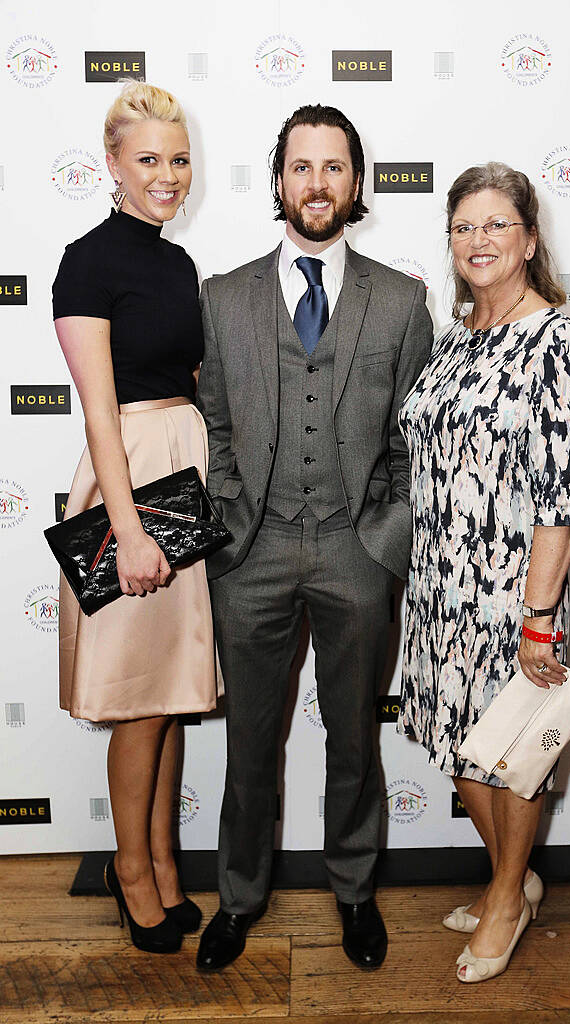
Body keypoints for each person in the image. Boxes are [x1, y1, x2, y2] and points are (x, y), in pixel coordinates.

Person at [196, 103, 433, 973]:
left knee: (353, 738)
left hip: (355, 551)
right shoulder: (221, 299)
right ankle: (239, 897)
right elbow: (215, 424)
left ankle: (355, 891)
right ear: (279, 181)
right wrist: (226, 523)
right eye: (302, 167)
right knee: (249, 739)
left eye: (335, 167)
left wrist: (387, 538)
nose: (318, 184)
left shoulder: (402, 302)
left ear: (356, 182)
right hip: (248, 555)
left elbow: (415, 437)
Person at [398, 162, 570, 983]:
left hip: (508, 596)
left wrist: (538, 615)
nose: (478, 240)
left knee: (511, 756)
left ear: (529, 239)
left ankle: (508, 895)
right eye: (463, 226)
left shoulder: (554, 341)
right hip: (436, 587)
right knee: (459, 748)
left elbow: (561, 496)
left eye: (496, 225)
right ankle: (509, 875)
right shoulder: (457, 335)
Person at [52, 82, 218, 954]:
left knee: (170, 696)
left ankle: (160, 861)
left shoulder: (175, 262)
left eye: (178, 159)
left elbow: (186, 381)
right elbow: (100, 412)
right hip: (132, 485)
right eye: (148, 159)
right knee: (139, 707)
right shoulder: (89, 261)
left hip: (180, 479)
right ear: (111, 165)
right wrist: (130, 530)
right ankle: (131, 874)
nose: (167, 175)